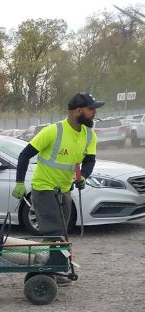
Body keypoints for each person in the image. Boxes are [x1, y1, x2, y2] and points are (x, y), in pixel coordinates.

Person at [12, 93, 101, 238]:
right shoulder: (53, 131)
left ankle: (51, 258)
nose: (95, 113)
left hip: (65, 190)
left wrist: (83, 176)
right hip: (44, 189)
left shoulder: (90, 135)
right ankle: (54, 259)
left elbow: (89, 161)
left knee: (62, 231)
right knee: (54, 232)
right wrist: (20, 182)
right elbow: (25, 155)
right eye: (91, 109)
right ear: (79, 111)